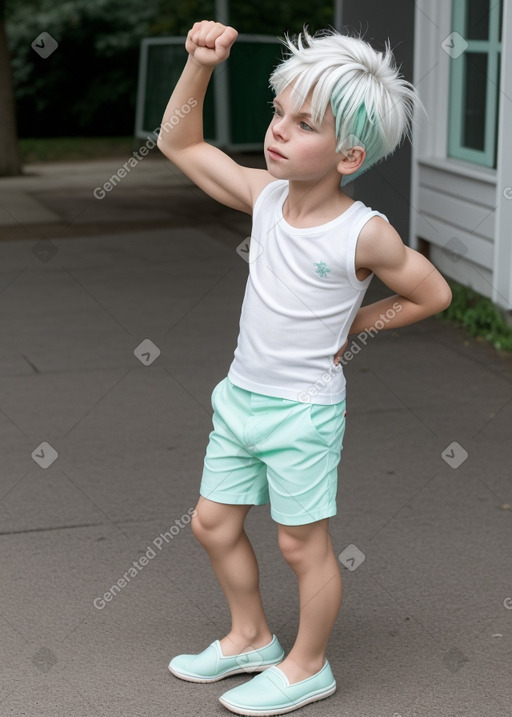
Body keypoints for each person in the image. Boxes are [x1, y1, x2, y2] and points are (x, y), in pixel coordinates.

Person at [157, 20, 452, 716]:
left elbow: (431, 292)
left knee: (300, 541)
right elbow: (179, 142)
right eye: (277, 112)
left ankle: (308, 665)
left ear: (348, 154)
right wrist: (200, 64)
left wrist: (355, 324)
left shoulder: (364, 232)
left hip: (302, 411)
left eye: (303, 122)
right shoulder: (263, 196)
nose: (278, 130)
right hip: (240, 399)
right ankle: (250, 635)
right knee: (212, 523)